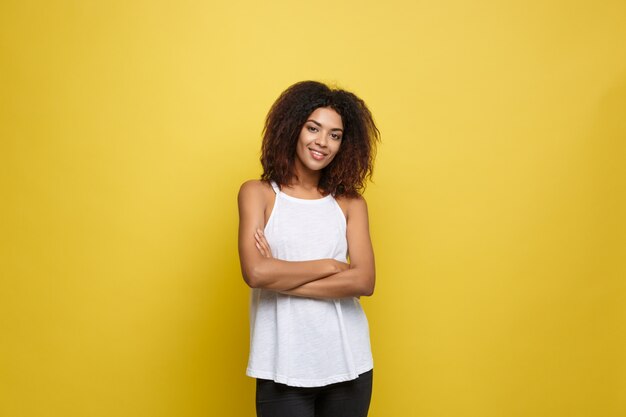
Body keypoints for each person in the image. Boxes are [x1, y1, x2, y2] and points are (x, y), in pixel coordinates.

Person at [237, 80, 380, 417]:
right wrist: (331, 265)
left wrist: (282, 276)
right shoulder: (258, 194)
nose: (322, 142)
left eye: (335, 135)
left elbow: (364, 282)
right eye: (313, 128)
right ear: (291, 129)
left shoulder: (350, 204)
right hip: (281, 365)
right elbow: (256, 273)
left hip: (349, 363)